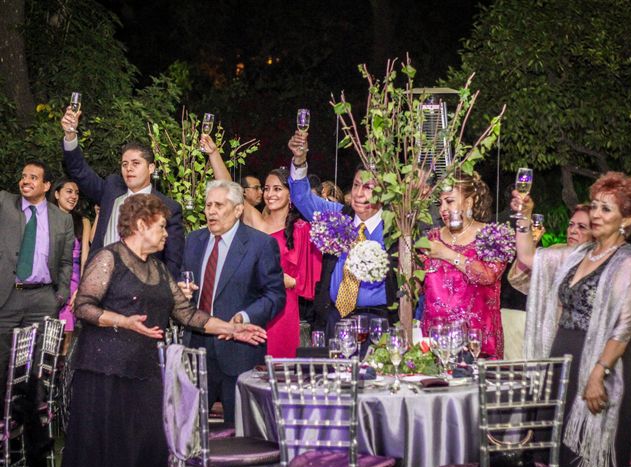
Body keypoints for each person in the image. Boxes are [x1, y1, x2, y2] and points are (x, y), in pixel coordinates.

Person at [59, 194, 267, 467]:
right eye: (160, 227)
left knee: (148, 445)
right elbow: (82, 306)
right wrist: (123, 321)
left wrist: (232, 329)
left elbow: (187, 313)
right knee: (108, 451)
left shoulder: (157, 268)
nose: (166, 234)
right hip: (105, 373)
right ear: (141, 225)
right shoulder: (109, 257)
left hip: (144, 370)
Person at [514, 171, 631, 467]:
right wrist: (523, 216)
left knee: (588, 462)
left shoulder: (628, 261)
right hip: (563, 363)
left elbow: (624, 327)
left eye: (606, 209)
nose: (596, 214)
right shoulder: (579, 253)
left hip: (598, 366)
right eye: (594, 206)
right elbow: (530, 258)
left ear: (628, 220)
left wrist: (599, 373)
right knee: (558, 459)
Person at [202, 135, 321, 357]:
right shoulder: (258, 222)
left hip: (285, 308)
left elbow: (308, 281)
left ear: (290, 193)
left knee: (279, 367)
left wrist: (282, 279)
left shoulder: (302, 229)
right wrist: (213, 154)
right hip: (253, 305)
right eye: (266, 189)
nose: (269, 194)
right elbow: (230, 188)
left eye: (277, 189)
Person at [181, 180, 286, 424]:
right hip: (195, 348)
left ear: (238, 209)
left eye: (219, 205)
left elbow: (275, 295)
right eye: (208, 205)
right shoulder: (193, 241)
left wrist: (245, 317)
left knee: (239, 432)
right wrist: (181, 290)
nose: (211, 211)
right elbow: (182, 281)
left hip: (239, 353)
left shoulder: (260, 245)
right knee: (190, 429)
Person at [0, 161, 75, 467]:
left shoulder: (62, 219)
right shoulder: (5, 204)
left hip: (43, 299)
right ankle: (6, 441)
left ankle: (33, 446)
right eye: (23, 175)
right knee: (3, 367)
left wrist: (57, 298)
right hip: (7, 297)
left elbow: (65, 265)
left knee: (35, 374)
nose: (25, 180)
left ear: (47, 186)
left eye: (33, 177)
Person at [287, 131, 398, 338]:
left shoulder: (394, 230)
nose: (358, 193)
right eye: (356, 185)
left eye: (368, 188)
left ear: (385, 192)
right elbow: (301, 197)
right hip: (334, 318)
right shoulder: (337, 217)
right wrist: (300, 160)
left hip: (378, 322)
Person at [60, 107, 184, 278]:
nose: (129, 169)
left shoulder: (168, 207)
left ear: (151, 168)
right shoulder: (112, 190)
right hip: (100, 280)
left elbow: (173, 262)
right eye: (124, 164)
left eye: (135, 163)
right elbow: (80, 171)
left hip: (141, 289)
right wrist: (70, 135)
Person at [420, 171, 509, 359]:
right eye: (440, 203)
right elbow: (420, 285)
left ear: (469, 202)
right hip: (436, 343)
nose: (442, 209)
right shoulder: (432, 238)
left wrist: (446, 253)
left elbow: (488, 276)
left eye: (449, 201)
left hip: (478, 344)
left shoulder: (492, 236)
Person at [49, 178, 91, 352]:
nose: (74, 196)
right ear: (57, 194)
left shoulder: (83, 222)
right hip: (49, 279)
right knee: (48, 331)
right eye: (69, 191)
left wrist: (80, 288)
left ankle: (62, 374)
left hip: (73, 280)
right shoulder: (45, 218)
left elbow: (85, 259)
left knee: (67, 331)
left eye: (77, 193)